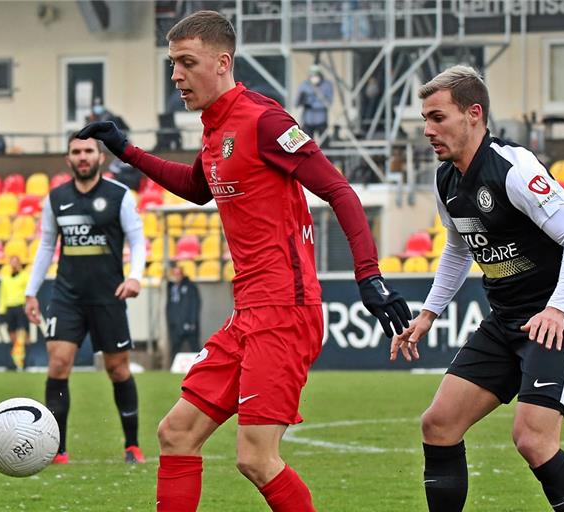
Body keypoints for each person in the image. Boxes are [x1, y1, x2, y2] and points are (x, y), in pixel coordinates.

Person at [77, 10, 410, 511]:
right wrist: (125, 149)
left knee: (256, 457)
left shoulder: (266, 120)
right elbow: (195, 188)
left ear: (222, 62)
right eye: (172, 64)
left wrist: (370, 277)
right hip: (248, 313)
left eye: (187, 63)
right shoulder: (215, 128)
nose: (176, 76)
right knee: (176, 432)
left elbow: (340, 191)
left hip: (285, 311)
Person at [390, 65, 564, 512]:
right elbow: (459, 248)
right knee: (439, 424)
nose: (427, 130)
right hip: (505, 321)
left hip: (555, 325)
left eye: (437, 117)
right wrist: (428, 313)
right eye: (425, 118)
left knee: (532, 440)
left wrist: (558, 310)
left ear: (473, 114)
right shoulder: (446, 177)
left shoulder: (513, 167)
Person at [24, 134, 147, 465]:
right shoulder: (56, 198)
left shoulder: (119, 195)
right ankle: (57, 449)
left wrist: (135, 276)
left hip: (108, 296)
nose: (82, 156)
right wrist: (30, 292)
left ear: (100, 157)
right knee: (58, 364)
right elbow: (47, 246)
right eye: (76, 152)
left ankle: (132, 446)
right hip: (67, 296)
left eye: (88, 151)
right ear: (68, 159)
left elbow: (137, 241)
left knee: (118, 370)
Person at [0, 255, 30, 371]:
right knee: (12, 336)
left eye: (16, 262)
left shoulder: (25, 276)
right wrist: (2, 310)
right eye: (12, 262)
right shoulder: (5, 278)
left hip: (21, 307)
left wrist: (28, 306)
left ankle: (24, 361)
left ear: (20, 263)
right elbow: (2, 295)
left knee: (23, 334)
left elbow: (29, 292)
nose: (14, 264)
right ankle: (13, 361)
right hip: (9, 308)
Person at [166, 263, 201, 359]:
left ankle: (202, 366)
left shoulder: (190, 287)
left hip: (189, 323)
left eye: (178, 274)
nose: (176, 276)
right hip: (176, 324)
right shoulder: (171, 287)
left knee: (195, 347)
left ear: (182, 274)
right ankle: (172, 368)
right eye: (174, 274)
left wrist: (192, 322)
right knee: (175, 348)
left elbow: (195, 305)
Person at [295, 65, 334, 140]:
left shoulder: (327, 85)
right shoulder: (304, 85)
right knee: (306, 144)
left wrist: (312, 104)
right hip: (307, 120)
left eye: (316, 75)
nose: (314, 77)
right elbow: (296, 103)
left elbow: (328, 103)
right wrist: (302, 100)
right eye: (312, 75)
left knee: (324, 144)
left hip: (321, 119)